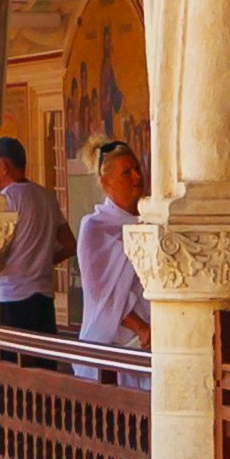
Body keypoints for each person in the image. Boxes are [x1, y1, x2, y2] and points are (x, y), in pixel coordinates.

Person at [75, 139, 149, 353]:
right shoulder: (95, 227)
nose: (137, 177)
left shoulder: (151, 220)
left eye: (137, 169)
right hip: (116, 344)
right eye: (127, 173)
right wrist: (141, 328)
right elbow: (102, 296)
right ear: (106, 183)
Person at [0, 134, 62, 334]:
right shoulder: (47, 196)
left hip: (12, 297)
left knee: (11, 363)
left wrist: (21, 264)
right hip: (44, 298)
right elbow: (68, 243)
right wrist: (41, 260)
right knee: (43, 361)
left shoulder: (6, 200)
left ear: (4, 166)